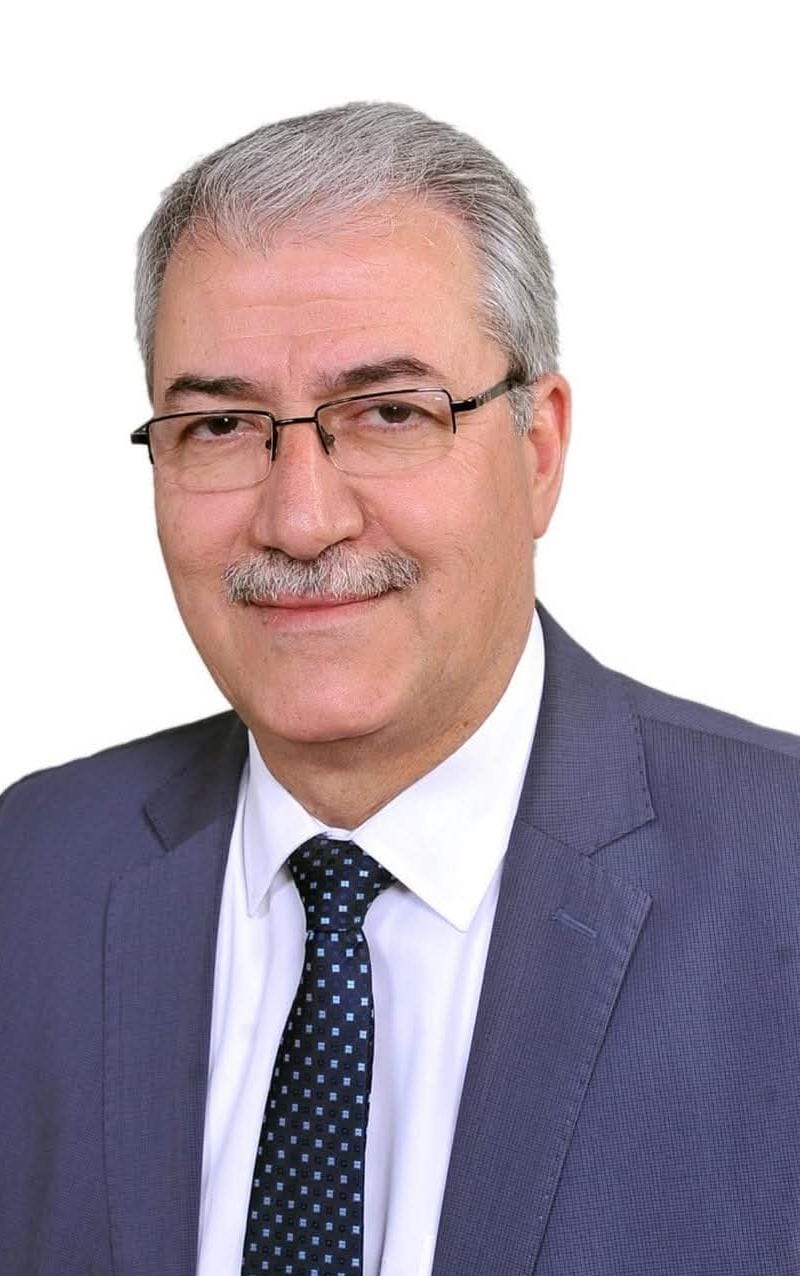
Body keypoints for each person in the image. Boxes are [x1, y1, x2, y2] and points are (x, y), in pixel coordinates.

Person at [1, 101, 798, 1276]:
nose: (300, 517)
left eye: (387, 413)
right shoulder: (31, 872)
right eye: (219, 425)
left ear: (537, 448)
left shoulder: (778, 875)